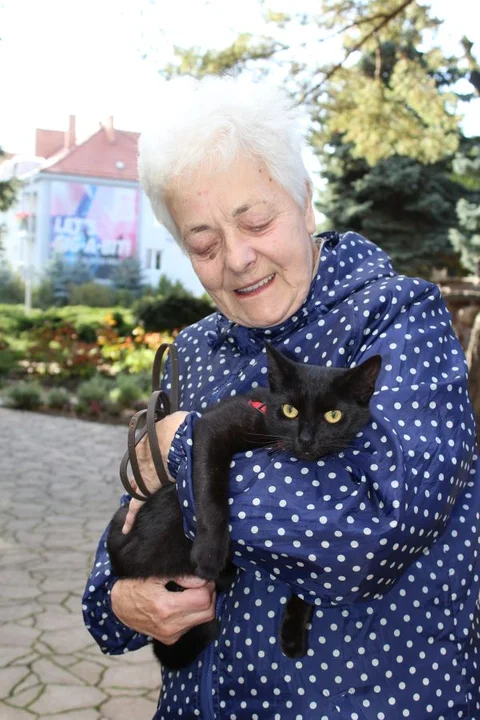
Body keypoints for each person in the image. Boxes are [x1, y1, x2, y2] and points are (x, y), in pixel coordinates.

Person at [83, 75, 480, 719]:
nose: (237, 258)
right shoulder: (196, 352)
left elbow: (370, 533)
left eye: (257, 221)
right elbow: (129, 542)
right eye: (204, 244)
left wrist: (185, 442)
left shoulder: (398, 320)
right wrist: (121, 599)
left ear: (305, 203)